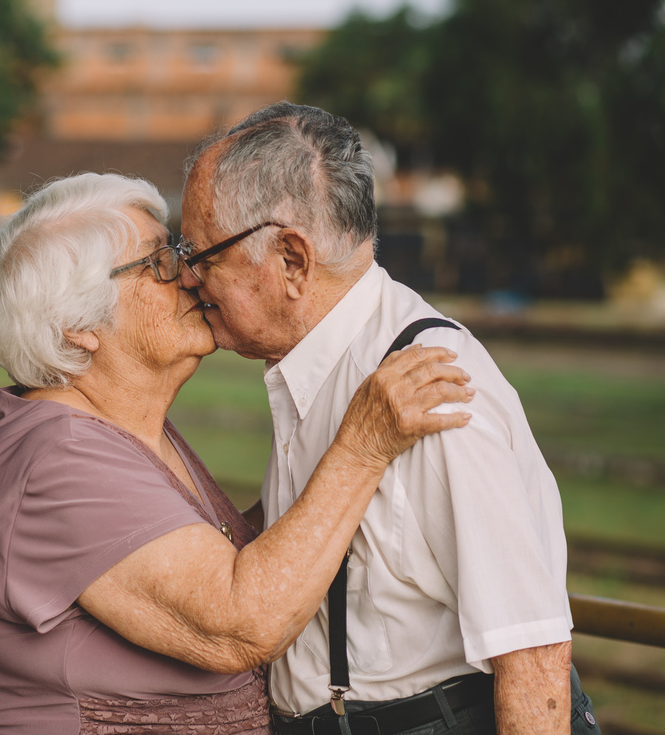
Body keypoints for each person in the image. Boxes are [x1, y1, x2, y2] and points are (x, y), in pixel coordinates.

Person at [0, 172, 474, 735]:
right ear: (79, 327)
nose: (191, 274)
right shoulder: (57, 460)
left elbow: (213, 559)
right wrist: (362, 446)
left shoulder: (127, 429)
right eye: (159, 261)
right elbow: (241, 623)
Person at [178, 103, 600, 735]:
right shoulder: (321, 361)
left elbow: (533, 654)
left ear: (293, 261)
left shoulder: (433, 388)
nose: (187, 277)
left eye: (201, 252)